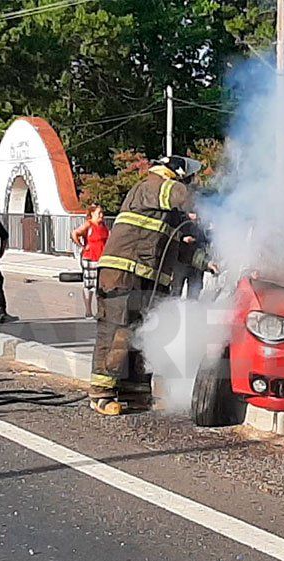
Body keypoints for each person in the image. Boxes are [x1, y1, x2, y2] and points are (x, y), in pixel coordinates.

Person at [88, 155, 217, 416]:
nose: (191, 183)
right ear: (178, 173)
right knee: (117, 332)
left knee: (143, 333)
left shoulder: (168, 213)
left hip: (146, 278)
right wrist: (216, 202)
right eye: (189, 179)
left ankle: (135, 392)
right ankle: (100, 393)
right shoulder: (152, 186)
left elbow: (178, 248)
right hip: (122, 273)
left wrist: (208, 263)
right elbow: (182, 195)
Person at [70, 204, 109, 318]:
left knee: (101, 286)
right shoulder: (89, 224)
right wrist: (82, 246)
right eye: (99, 213)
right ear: (92, 214)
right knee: (89, 284)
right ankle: (88, 310)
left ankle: (100, 310)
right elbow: (75, 233)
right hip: (90, 258)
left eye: (102, 213)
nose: (101, 215)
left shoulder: (103, 226)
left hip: (101, 258)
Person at [170, 212, 210, 299]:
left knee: (194, 293)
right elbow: (171, 233)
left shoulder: (205, 222)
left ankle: (191, 310)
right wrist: (182, 238)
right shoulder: (180, 218)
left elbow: (209, 239)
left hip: (198, 264)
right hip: (181, 260)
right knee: (175, 291)